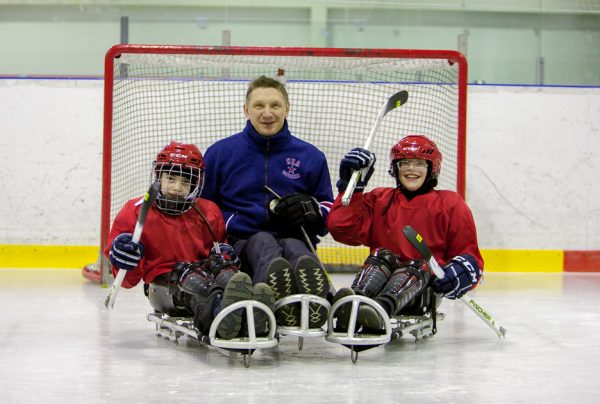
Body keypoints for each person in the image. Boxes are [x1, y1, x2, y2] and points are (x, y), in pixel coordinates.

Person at [105, 141, 276, 339]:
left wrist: (226, 256)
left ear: (196, 184)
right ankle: (218, 313)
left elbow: (219, 251)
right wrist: (125, 258)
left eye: (185, 182)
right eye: (170, 178)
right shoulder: (134, 211)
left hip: (204, 275)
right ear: (158, 177)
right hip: (165, 287)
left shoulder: (209, 211)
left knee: (223, 268)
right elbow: (126, 281)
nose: (177, 187)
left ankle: (248, 311)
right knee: (190, 275)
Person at [202, 75, 334, 328]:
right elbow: (204, 210)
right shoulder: (220, 153)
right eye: (259, 106)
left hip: (294, 239)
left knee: (296, 249)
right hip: (241, 245)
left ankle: (314, 303)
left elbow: (328, 209)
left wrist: (311, 211)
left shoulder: (311, 156)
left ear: (287, 108)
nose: (267, 113)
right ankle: (271, 305)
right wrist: (231, 223)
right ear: (246, 109)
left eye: (275, 105)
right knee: (263, 242)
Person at [327, 135, 484, 333]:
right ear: (395, 168)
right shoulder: (379, 199)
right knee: (380, 258)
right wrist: (350, 189)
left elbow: (471, 257)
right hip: (379, 281)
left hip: (422, 292)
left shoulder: (451, 203)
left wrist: (460, 272)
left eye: (419, 163)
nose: (411, 169)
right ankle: (355, 301)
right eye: (405, 163)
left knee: (416, 266)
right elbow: (341, 229)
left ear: (431, 168)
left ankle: (379, 311)